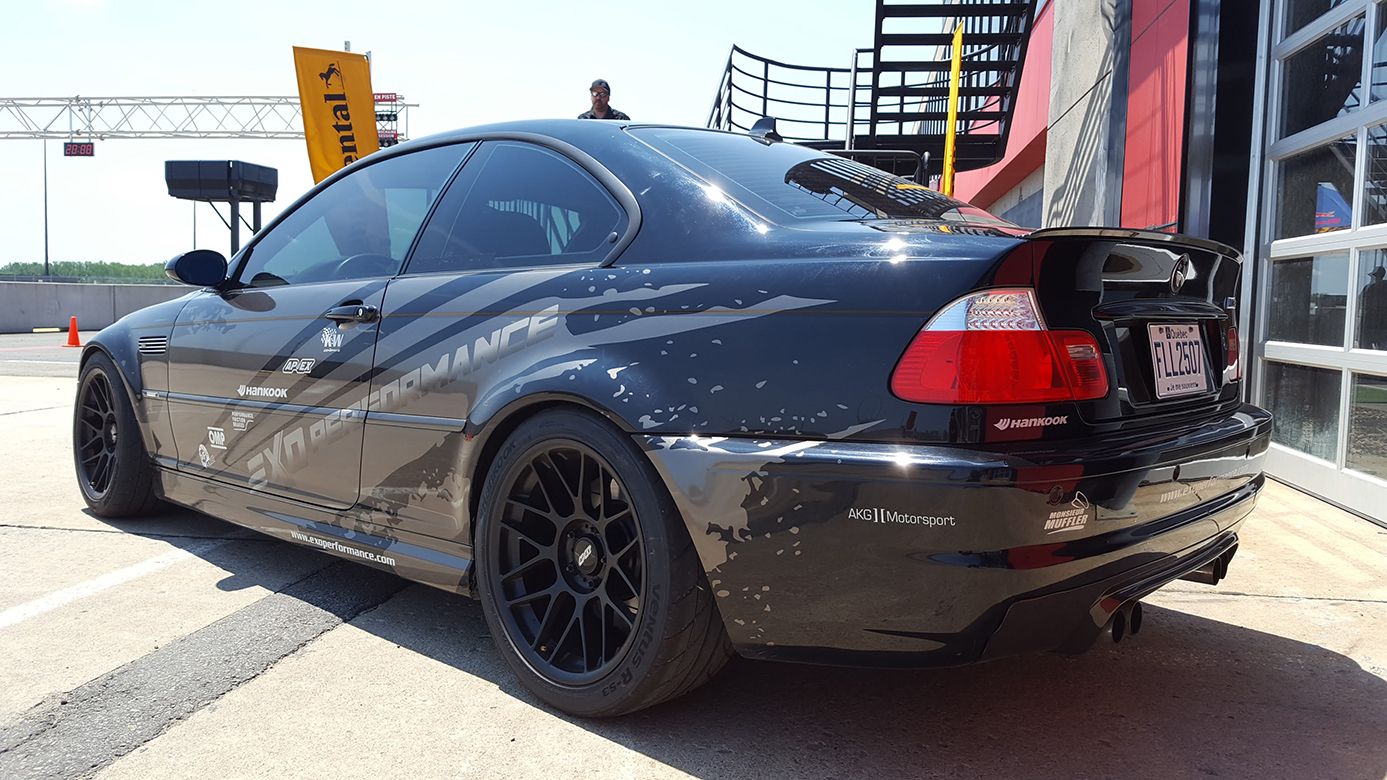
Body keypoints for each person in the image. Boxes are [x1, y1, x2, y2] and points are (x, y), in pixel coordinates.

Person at [1360, 265, 1387, 350]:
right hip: (1378, 324)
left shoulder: (1370, 288)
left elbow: (1363, 304)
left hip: (1375, 324)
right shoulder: (1369, 288)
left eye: (1373, 276)